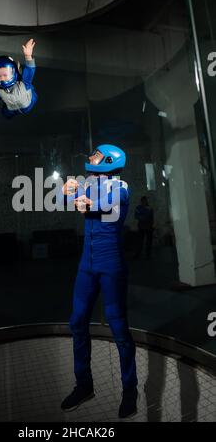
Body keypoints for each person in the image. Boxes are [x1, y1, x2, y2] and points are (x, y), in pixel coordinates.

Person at [58, 144, 138, 419]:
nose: (90, 158)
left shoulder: (121, 186)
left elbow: (108, 204)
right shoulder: (90, 182)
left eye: (95, 155)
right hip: (86, 266)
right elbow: (67, 198)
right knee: (77, 322)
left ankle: (130, 391)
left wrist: (87, 202)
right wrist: (66, 191)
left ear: (109, 160)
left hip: (111, 265)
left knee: (119, 328)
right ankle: (84, 385)